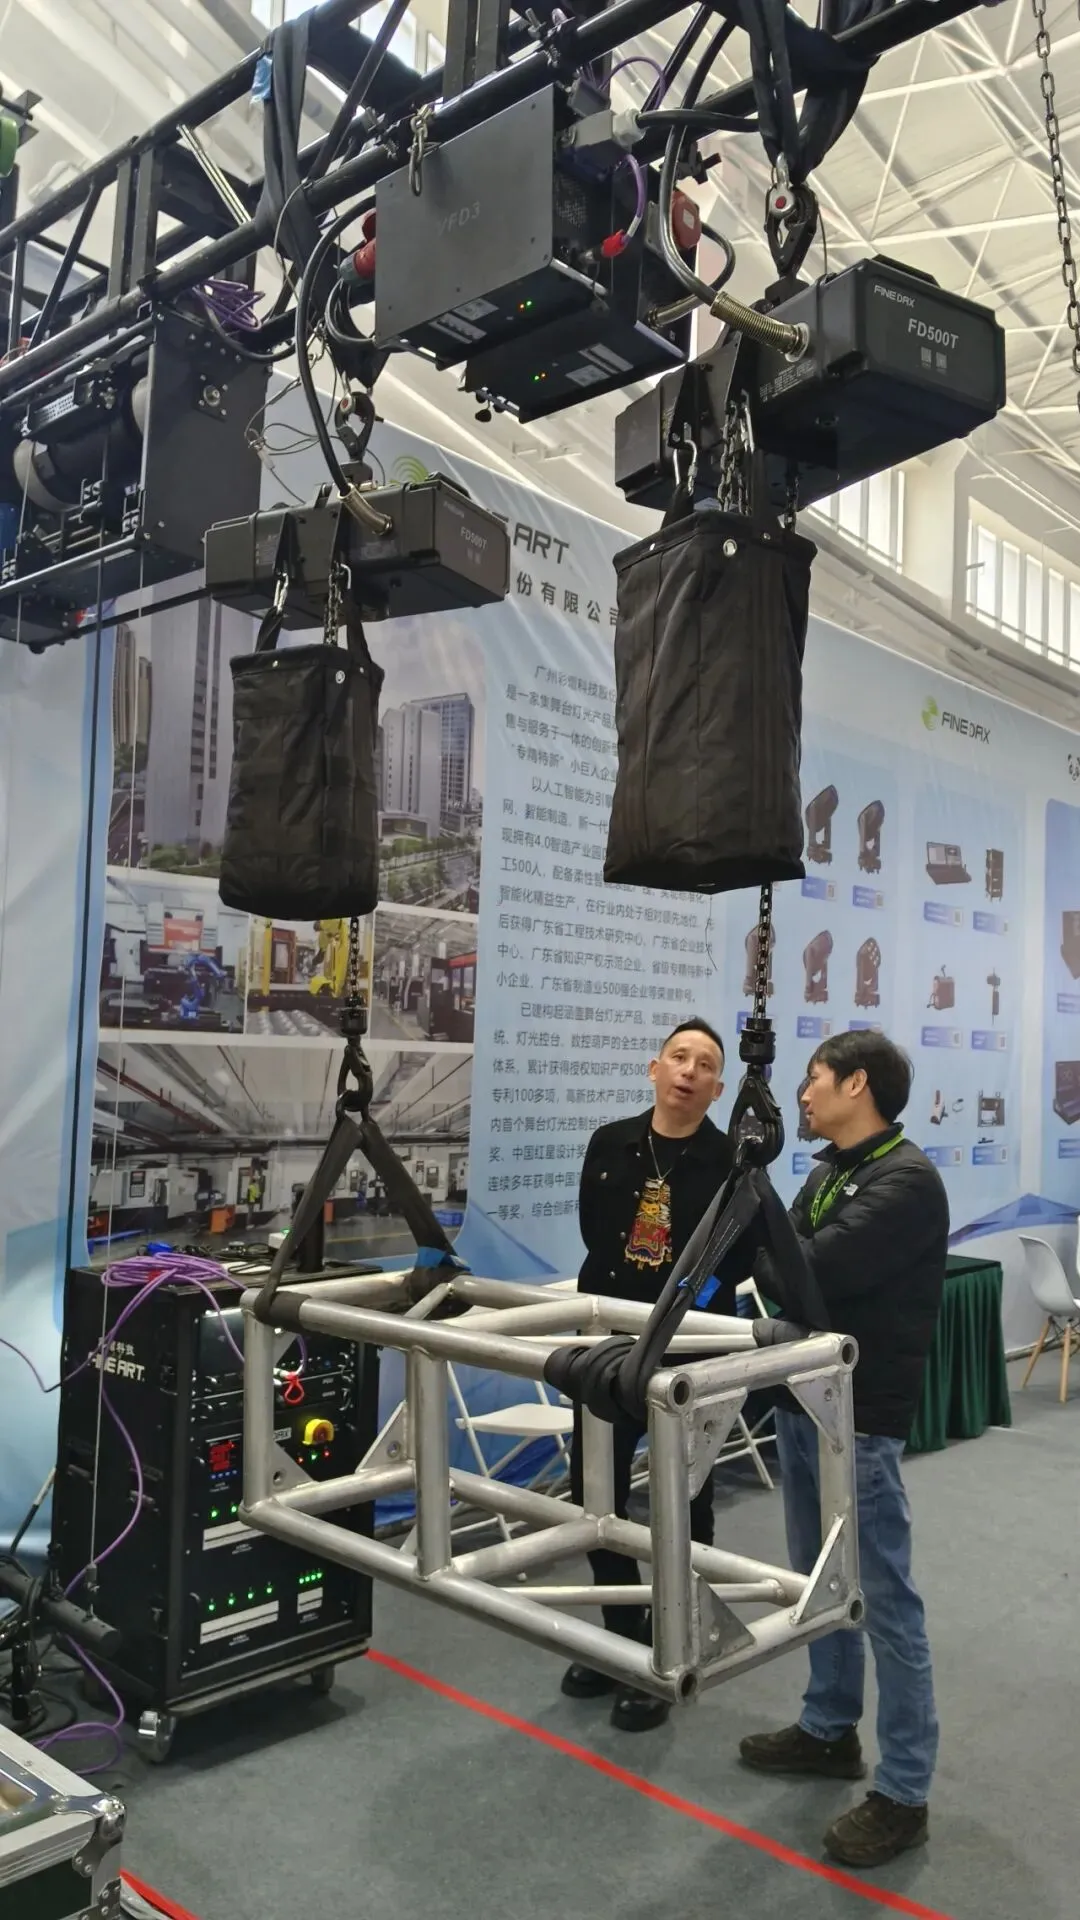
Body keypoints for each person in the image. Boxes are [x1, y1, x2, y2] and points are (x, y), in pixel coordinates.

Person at [739, 1030, 949, 1871]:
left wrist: (783, 1270)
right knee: (817, 1583)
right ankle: (829, 1729)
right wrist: (783, 1269)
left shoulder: (906, 1181)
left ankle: (904, 1791)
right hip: (804, 1398)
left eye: (814, 1078)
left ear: (857, 1084)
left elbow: (803, 1274)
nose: (802, 1093)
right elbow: (781, 1262)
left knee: (884, 1599)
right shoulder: (830, 1171)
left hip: (858, 1418)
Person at [561, 1018, 733, 1733]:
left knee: (682, 1501)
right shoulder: (611, 1143)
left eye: (706, 1065)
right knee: (591, 1492)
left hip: (689, 1354)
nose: (689, 1071)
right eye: (679, 1057)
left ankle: (671, 1644)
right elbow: (593, 1232)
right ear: (654, 1068)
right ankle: (620, 1634)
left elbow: (739, 1255)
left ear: (718, 1089)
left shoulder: (732, 1161)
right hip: (609, 1345)